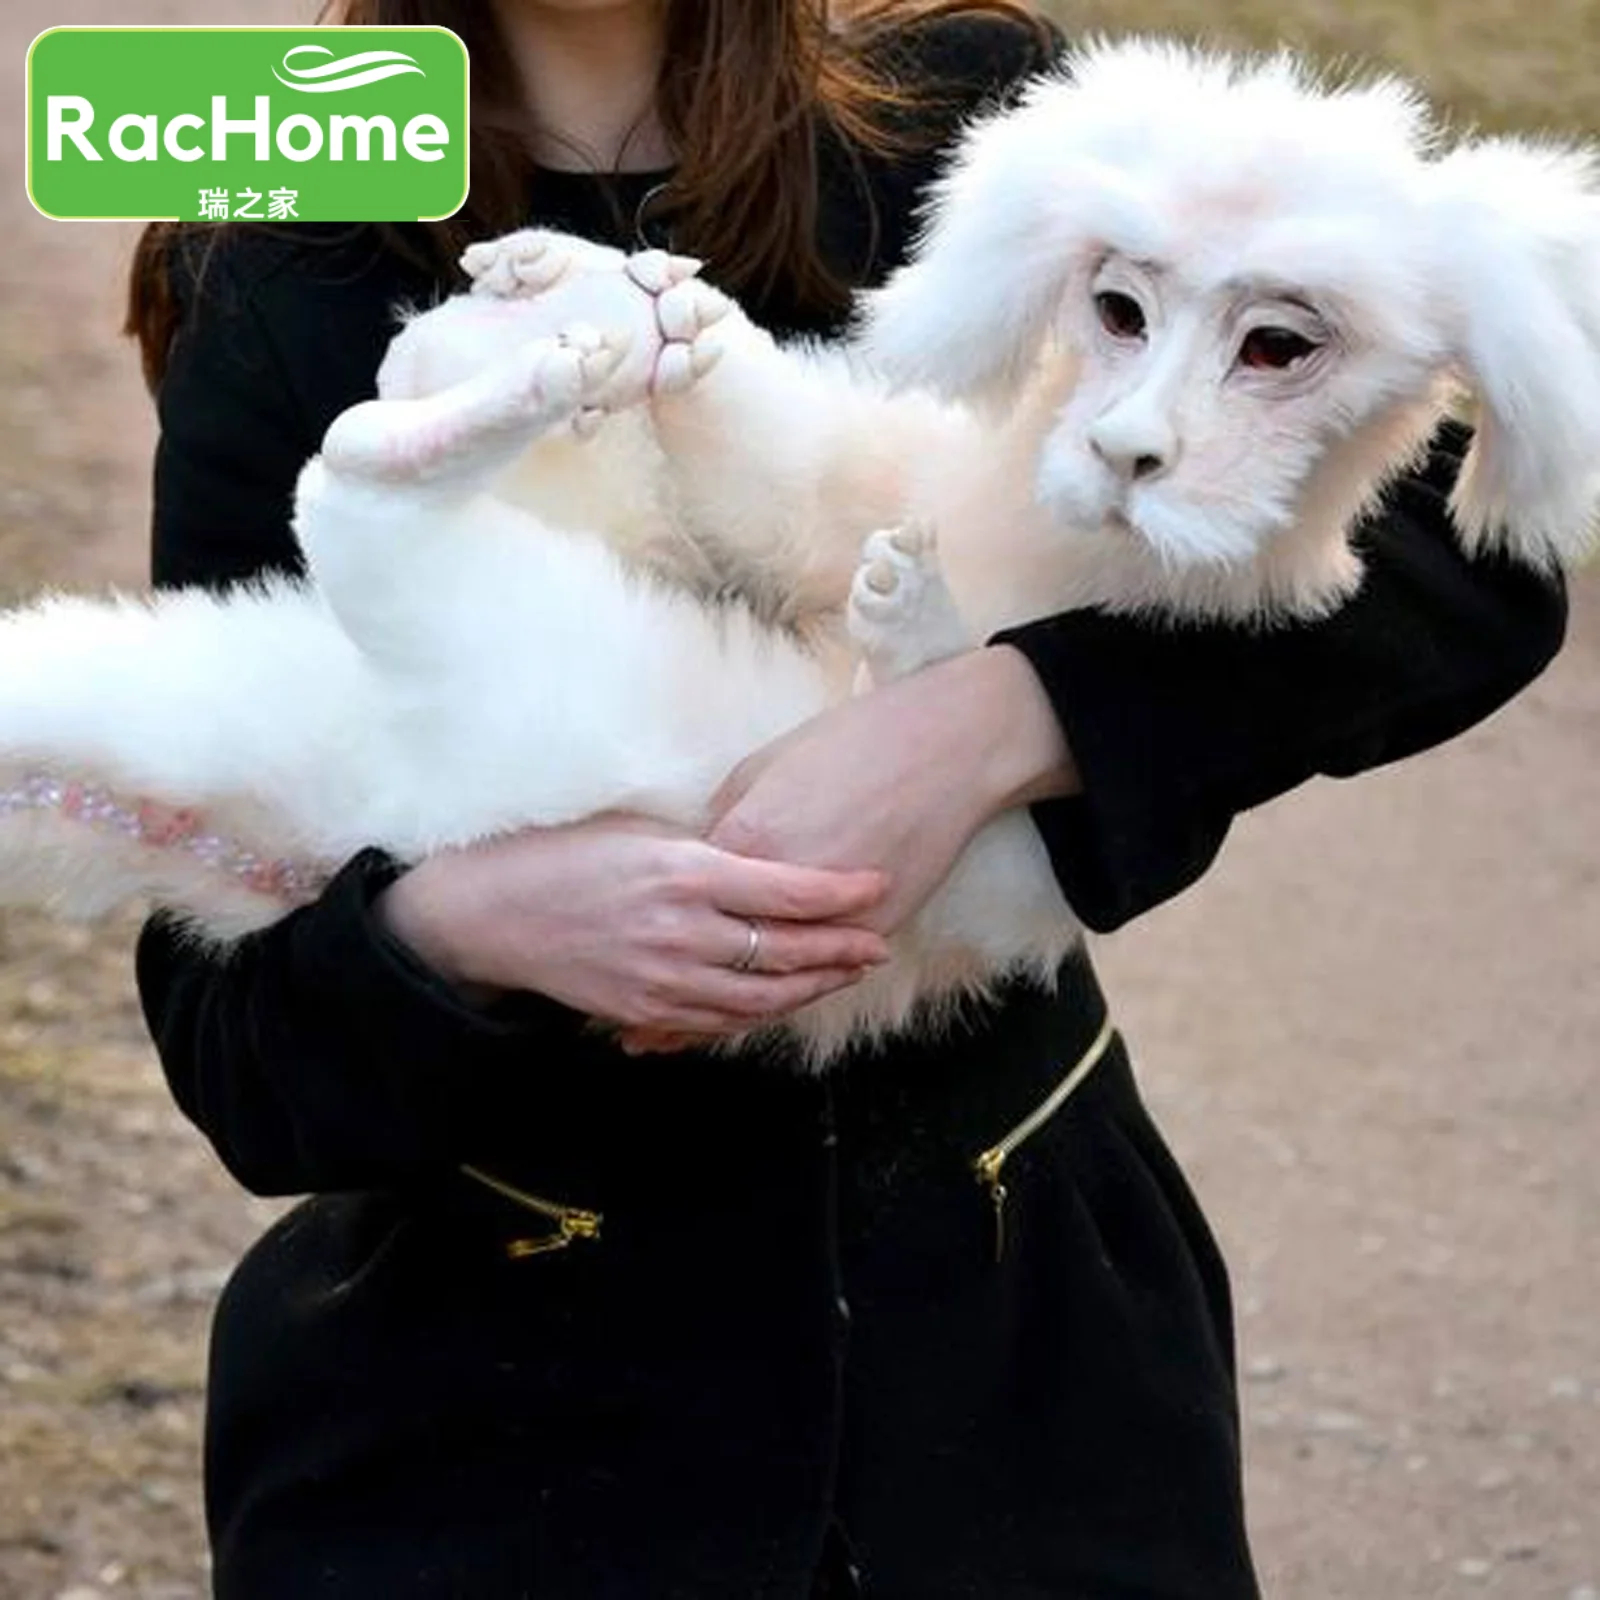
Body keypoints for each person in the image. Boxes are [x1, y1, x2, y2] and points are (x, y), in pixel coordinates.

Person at [124, 1, 1567, 1595]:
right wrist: (461, 928)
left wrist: (1000, 720)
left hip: (1023, 1360)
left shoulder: (980, 113)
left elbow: (1473, 559)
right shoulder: (275, 251)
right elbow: (236, 1028)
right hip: (493, 1419)